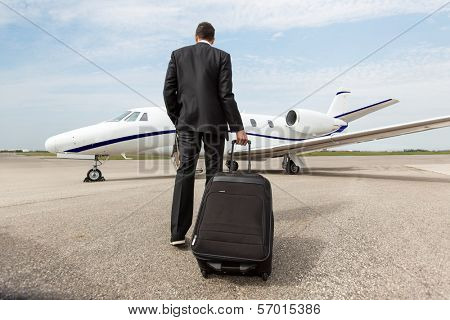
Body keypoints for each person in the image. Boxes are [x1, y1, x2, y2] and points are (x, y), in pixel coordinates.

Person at [163, 21, 248, 246]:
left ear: (196, 36)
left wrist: (178, 119)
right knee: (214, 174)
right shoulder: (222, 57)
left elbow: (168, 91)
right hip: (215, 125)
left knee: (185, 172)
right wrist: (237, 127)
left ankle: (177, 234)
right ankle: (212, 228)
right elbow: (225, 95)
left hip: (187, 124)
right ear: (213, 38)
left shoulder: (178, 55)